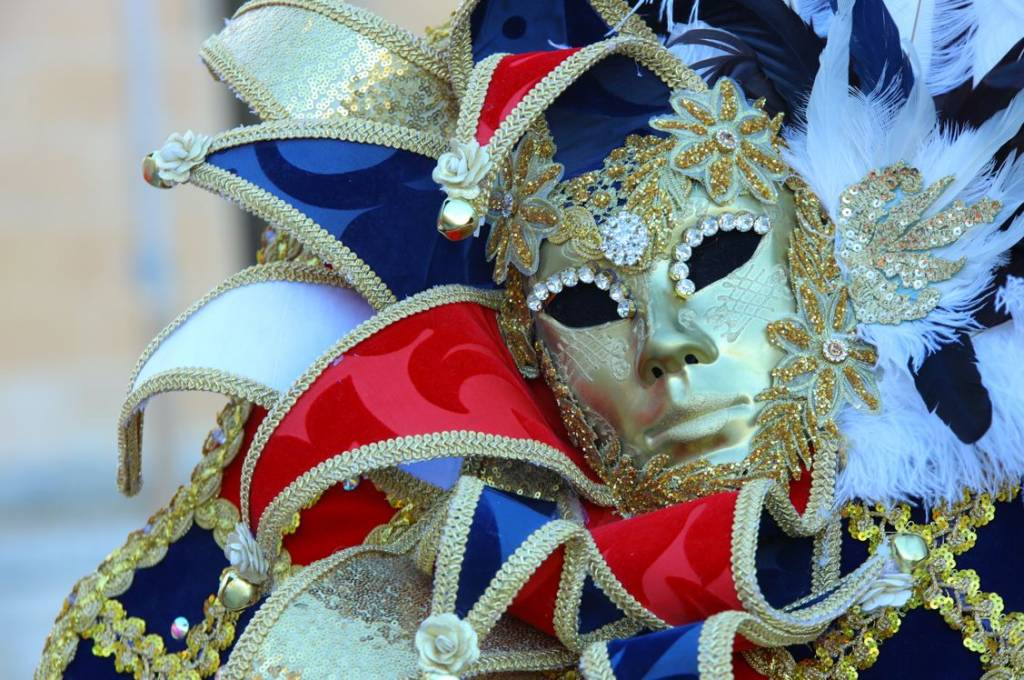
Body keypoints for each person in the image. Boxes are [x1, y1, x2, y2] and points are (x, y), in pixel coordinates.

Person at [38, 1, 1024, 678]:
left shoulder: (975, 563)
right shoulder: (417, 552)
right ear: (518, 351)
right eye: (587, 302)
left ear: (822, 248)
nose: (668, 344)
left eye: (718, 256)